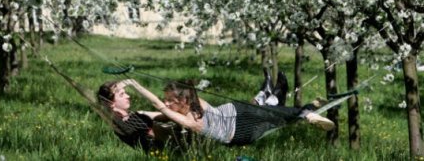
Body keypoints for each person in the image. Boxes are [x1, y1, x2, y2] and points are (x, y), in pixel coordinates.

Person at [120, 79, 335, 146]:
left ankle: (306, 112)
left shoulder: (188, 119)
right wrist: (139, 113)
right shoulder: (195, 104)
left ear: (182, 100)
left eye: (169, 100)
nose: (166, 103)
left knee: (271, 116)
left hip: (239, 131)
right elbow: (158, 112)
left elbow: (158, 108)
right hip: (238, 116)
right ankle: (306, 110)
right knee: (272, 116)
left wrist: (134, 84)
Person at [97, 80, 188, 152]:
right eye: (122, 94)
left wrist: (179, 111)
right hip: (177, 147)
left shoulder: (134, 115)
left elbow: (165, 115)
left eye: (125, 93)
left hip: (178, 140)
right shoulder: (123, 124)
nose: (128, 96)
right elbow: (159, 140)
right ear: (111, 104)